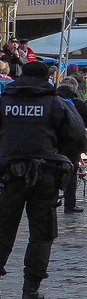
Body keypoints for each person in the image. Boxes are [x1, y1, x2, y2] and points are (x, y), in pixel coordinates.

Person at [0, 61, 87, 299]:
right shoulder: (55, 103)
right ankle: (31, 292)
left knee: (1, 229)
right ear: (47, 78)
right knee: (42, 233)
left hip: (12, 173)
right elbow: (77, 136)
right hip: (46, 174)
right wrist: (56, 152)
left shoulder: (5, 100)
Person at [55, 76, 87, 214]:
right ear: (74, 88)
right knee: (72, 172)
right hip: (71, 143)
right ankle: (70, 204)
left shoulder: (51, 100)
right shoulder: (78, 104)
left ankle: (49, 200)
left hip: (52, 142)